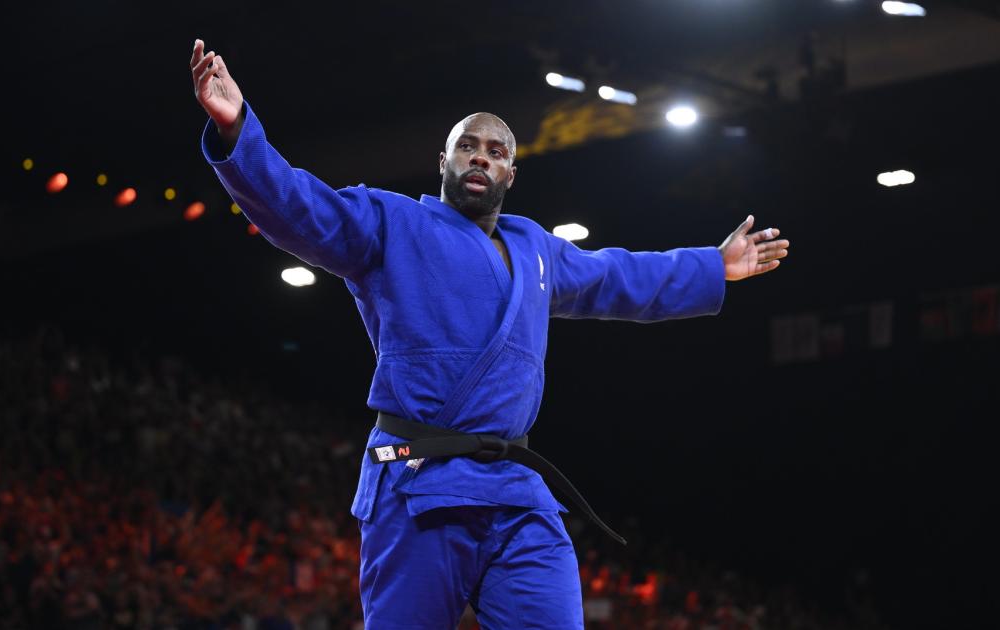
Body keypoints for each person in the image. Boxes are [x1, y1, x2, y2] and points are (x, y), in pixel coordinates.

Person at [189, 39, 789, 629]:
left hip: (516, 491)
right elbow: (300, 206)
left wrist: (715, 264)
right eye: (467, 147)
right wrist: (238, 129)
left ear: (511, 173)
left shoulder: (537, 248)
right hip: (418, 482)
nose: (480, 157)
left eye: (495, 150)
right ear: (443, 162)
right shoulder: (393, 222)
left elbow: (619, 274)